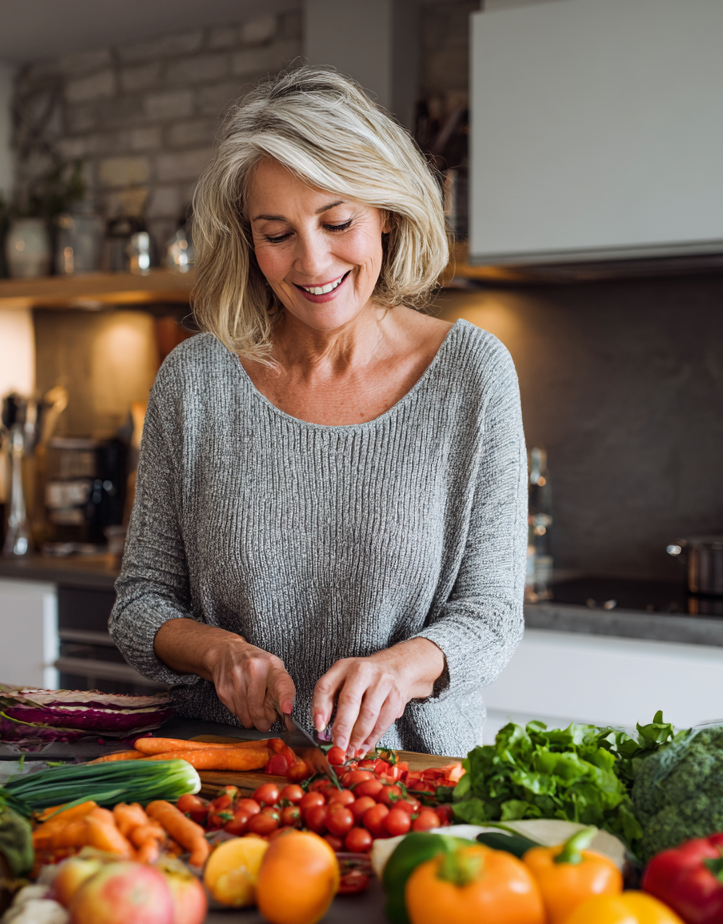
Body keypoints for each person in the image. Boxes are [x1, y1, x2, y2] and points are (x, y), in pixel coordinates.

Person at [109, 66, 526, 758]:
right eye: (277, 233)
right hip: (225, 770)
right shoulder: (195, 379)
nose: (312, 261)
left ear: (385, 213)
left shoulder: (472, 374)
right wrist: (217, 653)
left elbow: (490, 619)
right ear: (248, 240)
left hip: (407, 781)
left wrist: (402, 668)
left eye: (337, 222)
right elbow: (141, 604)